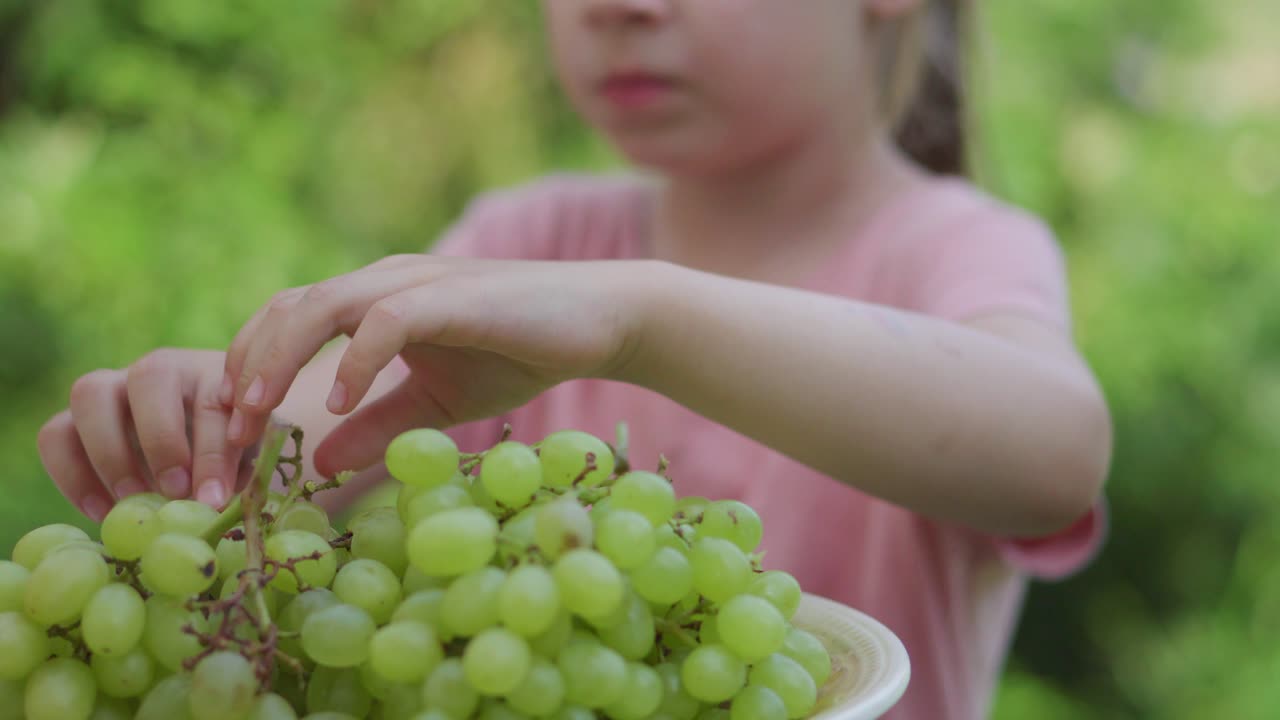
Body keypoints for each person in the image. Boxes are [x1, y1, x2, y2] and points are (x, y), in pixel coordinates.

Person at [36, 1, 1112, 717]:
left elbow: (1052, 449)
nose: (614, 8)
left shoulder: (952, 247)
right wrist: (215, 415)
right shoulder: (528, 239)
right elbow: (300, 442)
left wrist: (642, 321)